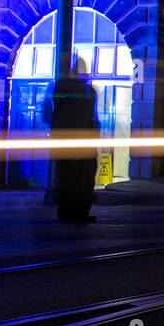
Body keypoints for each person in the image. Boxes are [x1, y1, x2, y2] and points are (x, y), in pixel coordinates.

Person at [46, 71, 99, 222]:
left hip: (77, 143)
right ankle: (75, 212)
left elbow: (51, 114)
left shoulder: (84, 89)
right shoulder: (83, 90)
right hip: (79, 142)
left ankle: (71, 212)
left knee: (72, 178)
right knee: (78, 178)